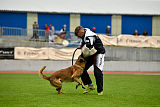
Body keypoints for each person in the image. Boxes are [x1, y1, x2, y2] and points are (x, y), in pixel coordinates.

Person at [74, 26, 105, 95]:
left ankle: (100, 90)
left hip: (98, 53)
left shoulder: (89, 36)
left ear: (82, 32)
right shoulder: (84, 33)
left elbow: (88, 47)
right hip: (91, 53)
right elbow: (84, 42)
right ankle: (90, 85)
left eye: (79, 35)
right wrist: (81, 45)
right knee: (81, 69)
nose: (79, 37)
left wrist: (82, 55)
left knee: (97, 72)